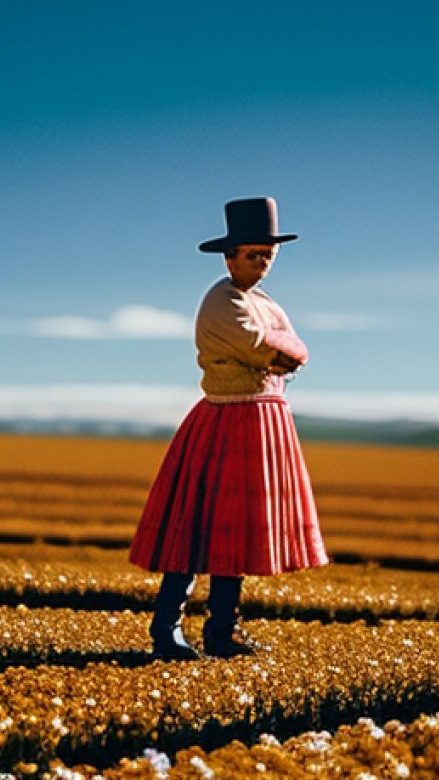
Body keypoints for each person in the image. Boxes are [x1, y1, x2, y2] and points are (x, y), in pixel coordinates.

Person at [129, 197, 329, 659]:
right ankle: (167, 629)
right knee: (196, 526)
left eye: (267, 255)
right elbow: (261, 346)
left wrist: (280, 351)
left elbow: (294, 349)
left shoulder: (263, 302)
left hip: (261, 419)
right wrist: (277, 351)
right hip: (226, 418)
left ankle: (223, 630)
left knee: (235, 529)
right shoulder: (221, 299)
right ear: (229, 256)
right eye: (252, 255)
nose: (261, 264)